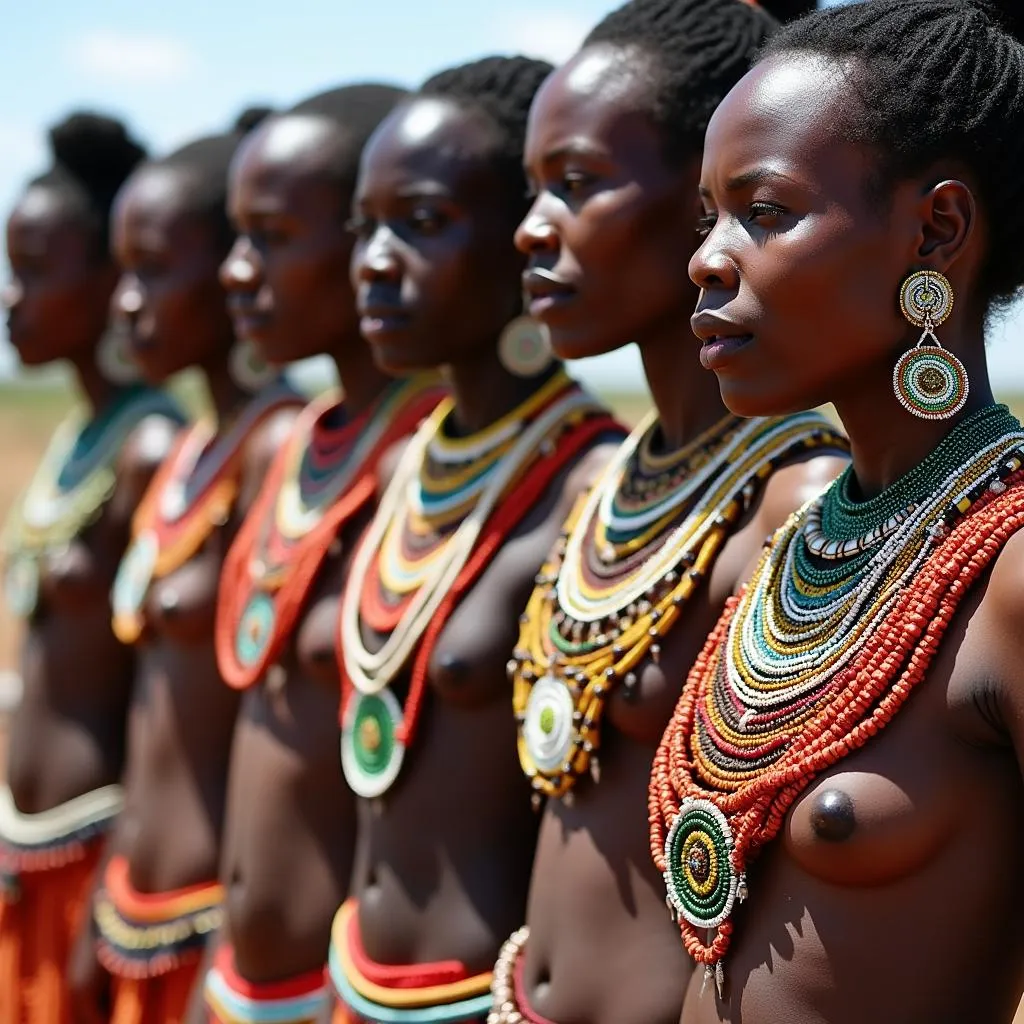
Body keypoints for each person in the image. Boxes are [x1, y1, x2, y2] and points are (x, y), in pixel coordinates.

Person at [648, 1, 1024, 1021]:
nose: (708, 259)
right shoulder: (804, 540)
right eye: (706, 219)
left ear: (935, 229)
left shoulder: (1010, 573)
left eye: (764, 213)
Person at [491, 3, 848, 1023]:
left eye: (577, 184)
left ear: (703, 197)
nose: (532, 226)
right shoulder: (611, 476)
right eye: (531, 190)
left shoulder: (797, 500)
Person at [325, 56, 625, 1024]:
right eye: (362, 228)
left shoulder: (595, 485)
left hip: (476, 1001)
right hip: (345, 978)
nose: (373, 260)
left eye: (419, 223)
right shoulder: (408, 460)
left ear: (521, 234)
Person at [199, 83, 445, 1024]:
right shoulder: (286, 444)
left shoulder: (427, 467)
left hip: (342, 990)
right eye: (234, 237)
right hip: (232, 969)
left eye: (271, 236)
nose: (236, 271)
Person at [69, 111, 305, 1024]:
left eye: (154, 270)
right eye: (122, 271)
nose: (125, 303)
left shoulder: (278, 449)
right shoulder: (183, 454)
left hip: (213, 927)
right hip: (130, 897)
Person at [0, 111, 183, 1024]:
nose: (10, 297)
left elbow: (158, 689)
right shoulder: (76, 435)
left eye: (34, 271)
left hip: (96, 853)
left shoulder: (151, 446)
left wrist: (116, 869)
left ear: (110, 282)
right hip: (25, 851)